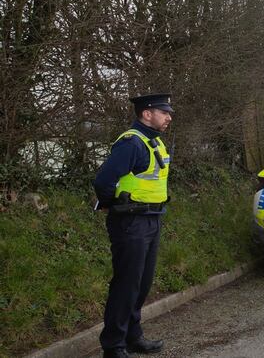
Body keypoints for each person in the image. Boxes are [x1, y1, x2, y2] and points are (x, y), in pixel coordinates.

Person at [93, 93, 174, 358]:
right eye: (164, 112)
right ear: (147, 113)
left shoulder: (154, 143)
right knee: (126, 284)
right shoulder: (132, 143)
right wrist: (110, 203)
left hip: (151, 219)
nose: (169, 117)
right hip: (130, 221)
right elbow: (103, 180)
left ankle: (133, 336)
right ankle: (114, 346)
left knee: (142, 283)